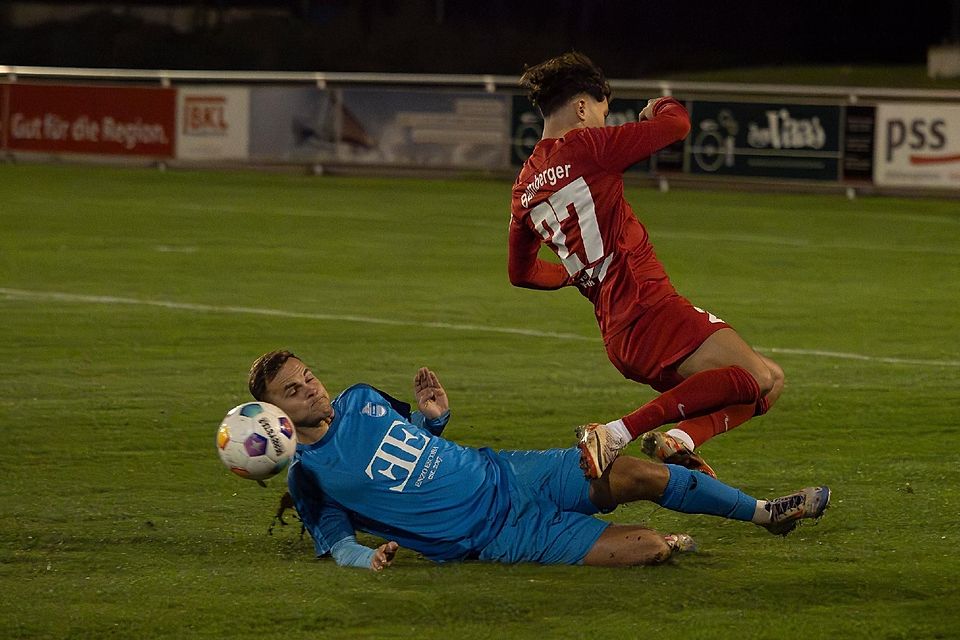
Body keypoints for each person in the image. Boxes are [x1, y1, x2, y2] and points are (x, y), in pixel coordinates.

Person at [247, 350, 829, 571]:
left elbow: (413, 436)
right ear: (272, 414)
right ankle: (665, 540)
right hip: (499, 535)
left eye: (307, 377)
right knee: (648, 547)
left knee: (638, 473)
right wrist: (366, 559)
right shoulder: (307, 475)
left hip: (509, 471)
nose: (311, 389)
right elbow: (334, 541)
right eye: (294, 391)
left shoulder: (361, 398)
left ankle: (765, 512)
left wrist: (434, 416)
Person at [508, 52, 786, 479]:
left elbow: (520, 273)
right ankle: (617, 433)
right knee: (755, 379)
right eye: (603, 109)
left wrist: (574, 273)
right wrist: (659, 104)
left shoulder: (524, 187)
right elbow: (676, 125)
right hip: (649, 307)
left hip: (619, 335)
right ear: (582, 107)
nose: (604, 119)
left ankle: (682, 440)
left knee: (770, 378)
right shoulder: (589, 146)